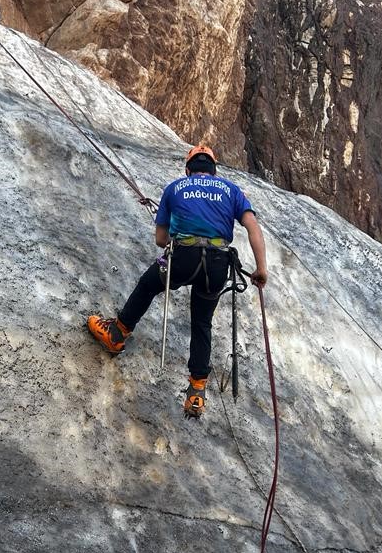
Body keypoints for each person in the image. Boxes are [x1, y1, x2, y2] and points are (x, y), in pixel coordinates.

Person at [87, 145, 268, 417]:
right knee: (202, 320)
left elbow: (161, 240)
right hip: (217, 266)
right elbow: (252, 227)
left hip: (183, 259)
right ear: (214, 171)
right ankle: (196, 391)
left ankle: (117, 333)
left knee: (149, 285)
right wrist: (261, 269)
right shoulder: (231, 191)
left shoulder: (176, 188)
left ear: (188, 169)